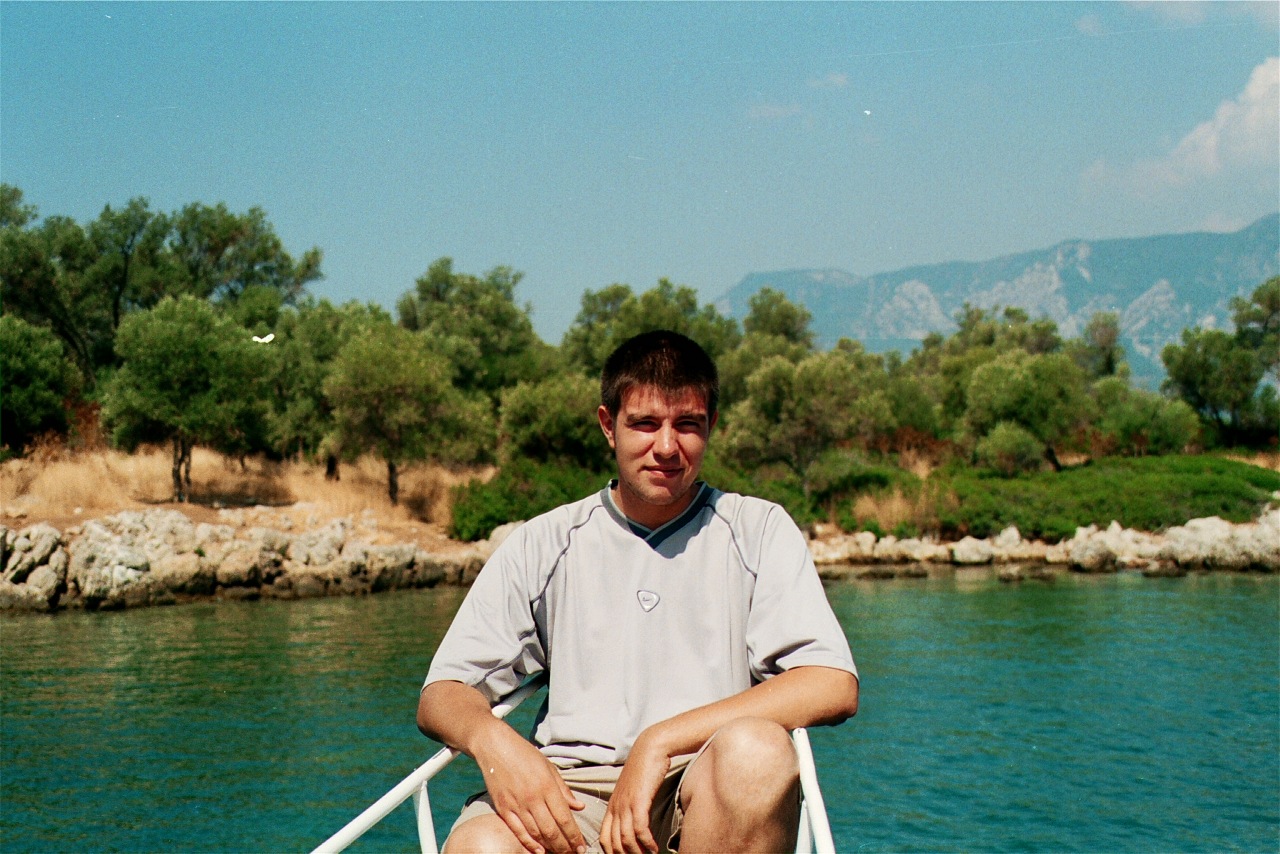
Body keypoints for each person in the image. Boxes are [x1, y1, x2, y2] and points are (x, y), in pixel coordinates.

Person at [417, 330, 858, 854]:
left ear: (712, 426)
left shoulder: (758, 530)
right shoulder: (545, 542)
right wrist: (496, 746)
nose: (667, 447)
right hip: (572, 797)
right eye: (645, 424)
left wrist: (661, 740)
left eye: (687, 425)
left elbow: (832, 683)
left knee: (758, 752)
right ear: (608, 425)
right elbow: (442, 695)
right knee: (481, 847)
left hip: (701, 786)